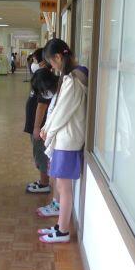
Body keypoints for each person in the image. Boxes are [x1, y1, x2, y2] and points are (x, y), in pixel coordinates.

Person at [37, 39, 88, 243]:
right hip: (65, 140)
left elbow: (61, 113)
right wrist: (46, 129)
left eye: (51, 61)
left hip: (68, 142)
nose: (52, 66)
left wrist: (47, 132)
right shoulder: (71, 78)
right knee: (61, 186)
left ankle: (63, 231)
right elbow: (58, 110)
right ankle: (60, 226)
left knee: (64, 189)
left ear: (58, 57)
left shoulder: (73, 81)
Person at [25, 65, 58, 194]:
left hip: (41, 129)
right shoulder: (46, 85)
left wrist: (37, 128)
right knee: (39, 153)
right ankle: (43, 181)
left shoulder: (47, 89)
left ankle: (44, 183)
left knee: (41, 154)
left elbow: (41, 107)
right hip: (39, 127)